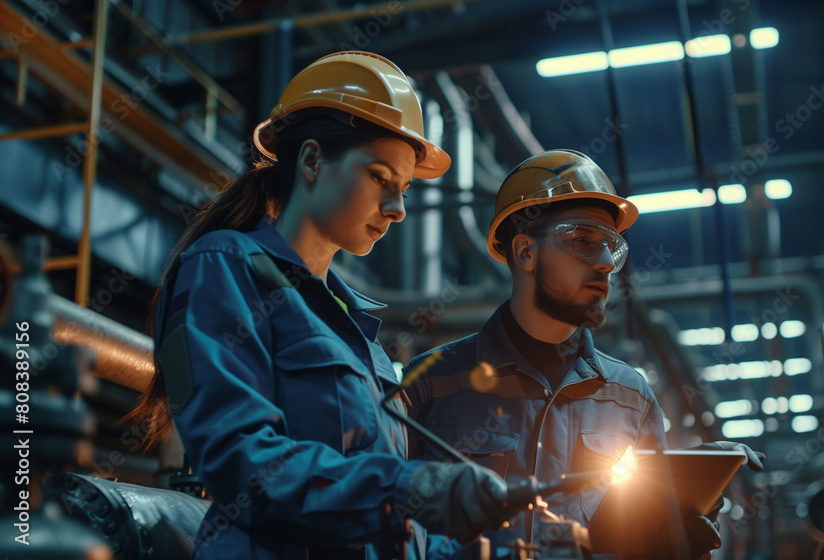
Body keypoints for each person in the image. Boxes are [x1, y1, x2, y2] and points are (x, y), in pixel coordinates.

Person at [130, 51, 510, 560]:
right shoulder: (224, 269)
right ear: (311, 161)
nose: (397, 210)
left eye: (402, 189)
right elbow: (241, 461)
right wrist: (407, 487)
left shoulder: (357, 333)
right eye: (379, 178)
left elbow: (386, 521)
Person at [404, 149, 762, 559]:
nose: (607, 263)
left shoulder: (630, 397)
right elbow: (386, 527)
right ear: (525, 252)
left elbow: (645, 531)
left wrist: (669, 541)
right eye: (583, 242)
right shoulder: (431, 385)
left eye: (612, 247)